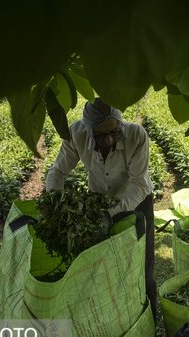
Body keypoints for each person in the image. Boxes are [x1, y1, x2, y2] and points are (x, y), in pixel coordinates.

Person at [45, 97, 157, 318]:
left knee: (142, 267)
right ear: (88, 131)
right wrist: (56, 204)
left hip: (137, 201)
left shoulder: (135, 135)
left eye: (114, 133)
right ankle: (113, 317)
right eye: (100, 135)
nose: (107, 140)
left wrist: (110, 214)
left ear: (120, 126)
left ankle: (150, 316)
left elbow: (139, 184)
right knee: (103, 266)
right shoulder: (76, 134)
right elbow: (57, 172)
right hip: (100, 202)